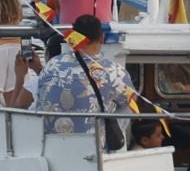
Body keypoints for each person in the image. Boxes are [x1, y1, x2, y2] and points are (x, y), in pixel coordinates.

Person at [28, 14, 140, 150]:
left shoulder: (51, 65)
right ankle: (114, 145)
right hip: (93, 149)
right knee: (128, 103)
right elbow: (132, 104)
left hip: (51, 147)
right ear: (101, 38)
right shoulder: (113, 71)